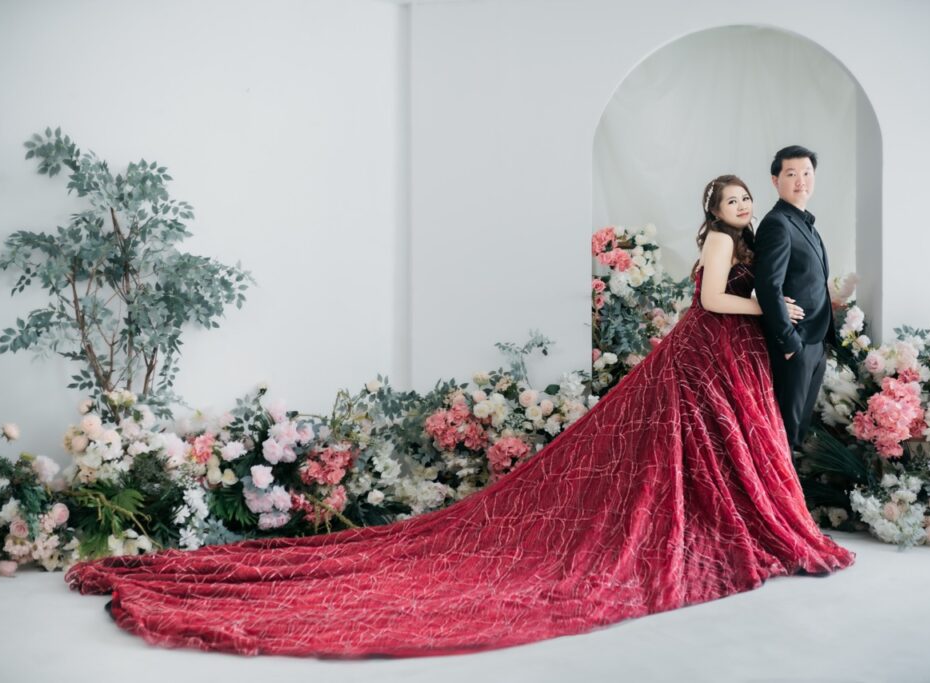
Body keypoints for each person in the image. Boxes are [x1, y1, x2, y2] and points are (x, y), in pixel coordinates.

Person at [65, 175, 855, 659]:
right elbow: (713, 299)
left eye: (744, 199)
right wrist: (768, 306)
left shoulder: (751, 238)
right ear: (712, 209)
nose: (741, 206)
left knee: (707, 455)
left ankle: (733, 521)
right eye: (731, 200)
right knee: (669, 457)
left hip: (724, 362)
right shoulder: (720, 245)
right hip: (702, 357)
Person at [753, 146, 836, 452]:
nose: (801, 180)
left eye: (806, 173)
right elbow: (768, 285)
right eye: (791, 174)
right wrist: (789, 343)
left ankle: (790, 485)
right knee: (785, 435)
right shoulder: (778, 223)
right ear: (775, 181)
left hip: (815, 342)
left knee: (797, 432)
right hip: (794, 344)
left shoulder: (804, 223)